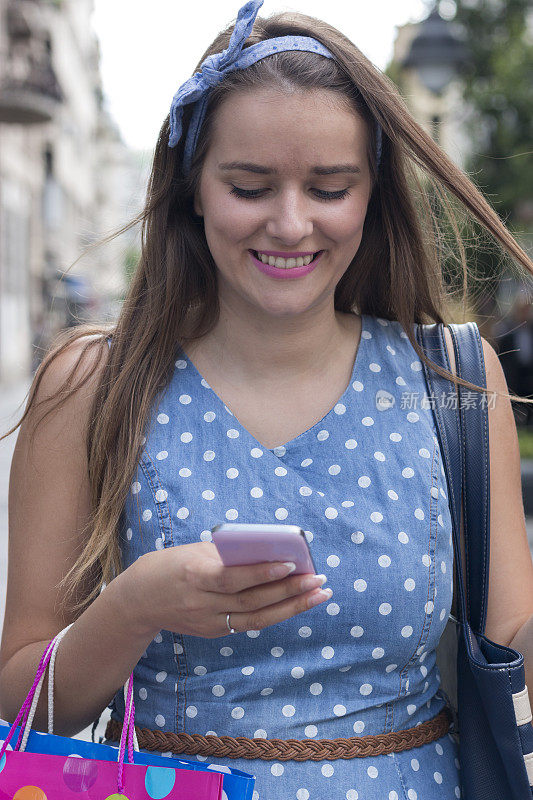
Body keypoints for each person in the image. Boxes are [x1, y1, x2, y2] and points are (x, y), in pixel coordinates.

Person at [1, 1, 532, 797]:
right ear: (192, 188)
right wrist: (135, 606)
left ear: (371, 195)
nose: (291, 224)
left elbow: (508, 643)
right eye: (250, 186)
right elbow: (22, 707)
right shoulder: (91, 385)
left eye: (329, 187)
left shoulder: (452, 378)